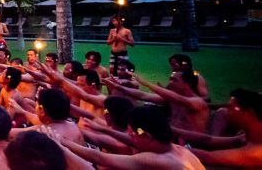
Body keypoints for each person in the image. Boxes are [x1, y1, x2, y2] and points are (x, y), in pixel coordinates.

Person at [47, 105, 205, 170]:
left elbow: (99, 157)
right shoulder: (178, 150)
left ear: (147, 136)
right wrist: (104, 129)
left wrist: (61, 143)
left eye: (132, 133)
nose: (129, 136)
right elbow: (131, 140)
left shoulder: (156, 159)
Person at [107, 70, 209, 133]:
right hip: (172, 138)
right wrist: (118, 87)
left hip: (192, 143)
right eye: (170, 79)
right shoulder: (172, 99)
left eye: (174, 80)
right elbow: (143, 95)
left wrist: (146, 83)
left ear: (188, 84)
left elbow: (179, 99)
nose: (170, 83)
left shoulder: (197, 102)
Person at [189, 89, 262, 167]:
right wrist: (175, 131)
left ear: (249, 113)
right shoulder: (248, 136)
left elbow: (208, 157)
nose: (227, 111)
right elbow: (209, 139)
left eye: (232, 108)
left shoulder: (257, 151)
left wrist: (176, 149)